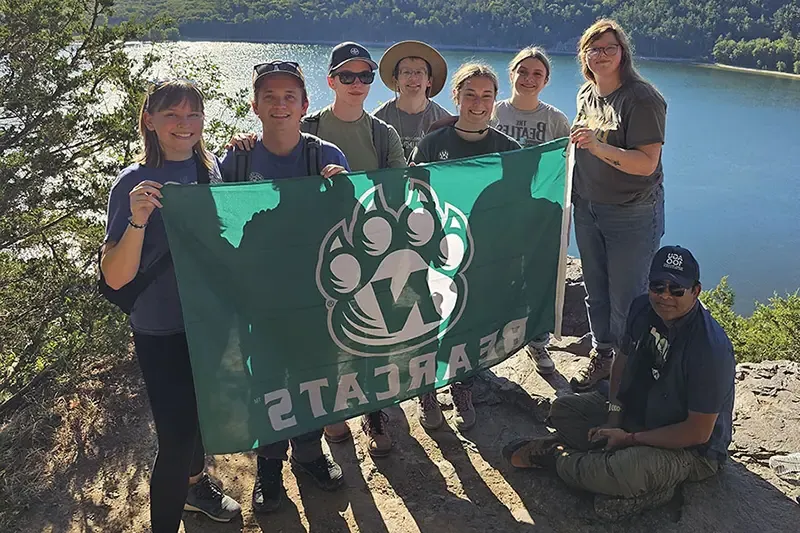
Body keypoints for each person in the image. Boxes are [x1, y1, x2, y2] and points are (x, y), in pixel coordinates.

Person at [100, 80, 241, 533]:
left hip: (209, 323)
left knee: (199, 417)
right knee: (176, 437)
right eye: (172, 116)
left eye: (193, 115)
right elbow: (116, 276)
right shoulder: (131, 182)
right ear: (149, 121)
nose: (184, 125)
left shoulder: (211, 169)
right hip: (160, 330)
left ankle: (196, 490)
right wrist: (138, 218)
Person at [503, 246, 735, 521]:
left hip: (691, 450)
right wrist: (614, 417)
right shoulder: (642, 308)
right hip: (640, 415)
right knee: (564, 410)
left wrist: (629, 439)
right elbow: (622, 362)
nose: (664, 296)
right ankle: (607, 463)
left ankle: (558, 458)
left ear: (696, 291)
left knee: (625, 471)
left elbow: (697, 432)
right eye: (657, 286)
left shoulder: (709, 348)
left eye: (676, 290)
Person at [219, 61, 350, 513]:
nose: (279, 105)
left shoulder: (325, 154)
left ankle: (310, 453)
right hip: (259, 296)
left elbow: (348, 226)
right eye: (269, 97)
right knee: (268, 379)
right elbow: (214, 220)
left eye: (289, 97)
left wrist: (343, 190)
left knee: (313, 376)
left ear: (304, 104)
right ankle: (269, 466)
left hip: (316, 293)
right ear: (254, 105)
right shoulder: (237, 159)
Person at [409, 62, 521, 431]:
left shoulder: (509, 150)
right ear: (455, 97)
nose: (478, 103)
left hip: (482, 256)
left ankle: (462, 387)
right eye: (469, 94)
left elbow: (521, 203)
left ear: (495, 100)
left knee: (468, 325)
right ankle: (427, 393)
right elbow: (412, 198)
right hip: (437, 253)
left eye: (486, 95)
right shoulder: (432, 144)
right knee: (430, 324)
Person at [568, 19, 667, 392]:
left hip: (632, 212)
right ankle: (602, 354)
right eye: (594, 49)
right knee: (596, 289)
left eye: (610, 48)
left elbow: (646, 164)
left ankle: (629, 371)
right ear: (584, 55)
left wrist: (597, 147)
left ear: (623, 53)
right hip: (589, 208)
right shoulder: (586, 94)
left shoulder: (642, 99)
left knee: (628, 296)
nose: (602, 55)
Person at [493, 46, 570, 376]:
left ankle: (537, 344)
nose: (528, 78)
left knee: (538, 277)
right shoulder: (494, 112)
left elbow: (567, 169)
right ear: (511, 75)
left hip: (538, 213)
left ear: (546, 80)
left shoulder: (555, 119)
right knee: (491, 275)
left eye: (537, 73)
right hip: (497, 210)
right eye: (522, 71)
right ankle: (486, 342)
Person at [300, 41, 406, 172]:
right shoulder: (305, 129)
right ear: (331, 82)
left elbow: (401, 187)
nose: (357, 84)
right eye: (347, 76)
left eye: (365, 76)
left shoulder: (385, 136)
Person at [373, 40, 452, 158]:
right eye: (406, 72)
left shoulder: (445, 122)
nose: (413, 78)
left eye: (419, 72)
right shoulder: (378, 120)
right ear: (396, 80)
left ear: (429, 81)